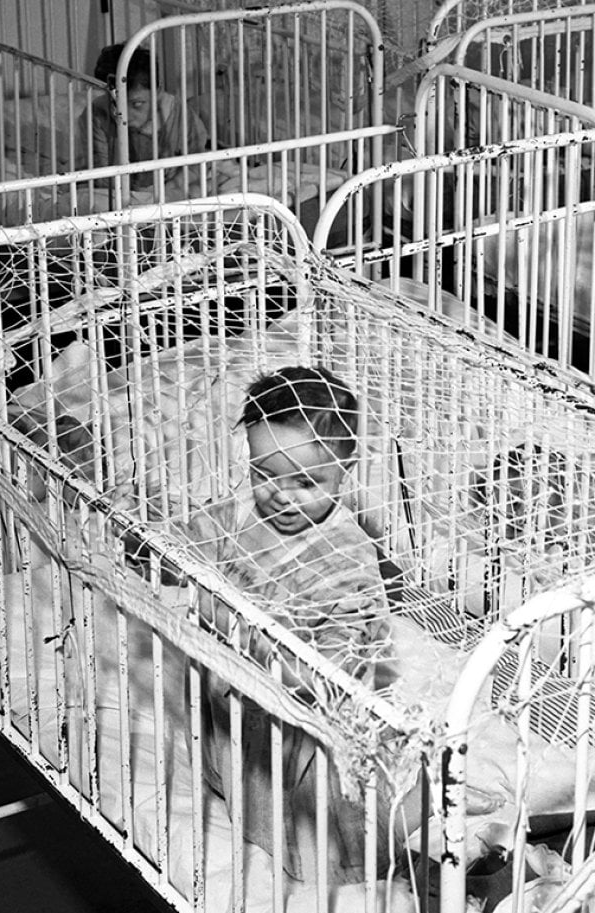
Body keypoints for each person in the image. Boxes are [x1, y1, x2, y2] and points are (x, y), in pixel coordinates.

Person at [186, 365, 390, 884]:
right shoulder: (241, 513)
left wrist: (255, 640)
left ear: (344, 470)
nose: (281, 495)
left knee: (314, 818)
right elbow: (194, 536)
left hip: (301, 713)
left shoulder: (347, 555)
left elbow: (341, 661)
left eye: (305, 481)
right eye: (264, 474)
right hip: (236, 692)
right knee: (238, 765)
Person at [83, 42, 211, 193]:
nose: (125, 114)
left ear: (157, 92)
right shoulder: (98, 113)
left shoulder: (177, 112)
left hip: (170, 190)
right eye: (115, 103)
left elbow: (197, 163)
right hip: (120, 192)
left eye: (137, 104)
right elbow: (102, 175)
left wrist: (164, 191)